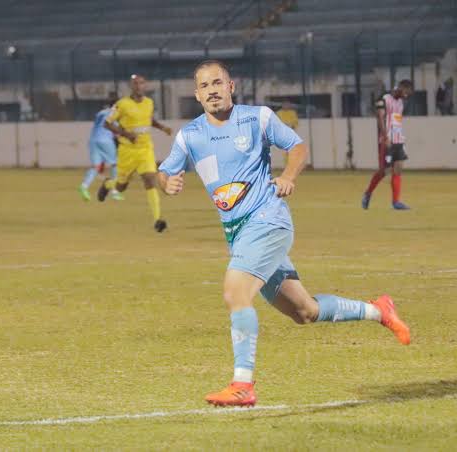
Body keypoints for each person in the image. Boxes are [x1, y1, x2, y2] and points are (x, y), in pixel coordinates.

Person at [158, 60, 411, 407]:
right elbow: (165, 171)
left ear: (231, 86)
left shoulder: (257, 118)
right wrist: (167, 181)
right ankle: (379, 310)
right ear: (197, 94)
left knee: (236, 291)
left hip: (268, 220)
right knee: (304, 311)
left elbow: (298, 148)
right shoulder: (190, 136)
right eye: (204, 85)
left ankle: (242, 384)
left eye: (218, 82)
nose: (212, 90)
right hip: (239, 235)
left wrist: (289, 175)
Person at [98, 74, 172, 232]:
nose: (139, 86)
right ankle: (107, 184)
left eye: (141, 83)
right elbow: (107, 123)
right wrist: (126, 135)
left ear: (145, 86)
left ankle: (158, 220)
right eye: (136, 84)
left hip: (145, 150)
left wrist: (162, 127)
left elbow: (149, 120)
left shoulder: (149, 103)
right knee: (121, 186)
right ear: (131, 86)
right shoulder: (122, 104)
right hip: (127, 151)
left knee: (150, 179)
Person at [362, 79, 413, 210]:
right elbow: (380, 118)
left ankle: (396, 202)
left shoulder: (401, 103)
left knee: (398, 168)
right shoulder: (384, 99)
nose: (406, 95)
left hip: (398, 140)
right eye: (405, 92)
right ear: (401, 87)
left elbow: (397, 121)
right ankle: (368, 193)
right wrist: (385, 137)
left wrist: (401, 138)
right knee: (383, 172)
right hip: (387, 141)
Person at [79, 99, 123, 201]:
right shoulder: (115, 114)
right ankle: (115, 192)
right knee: (115, 164)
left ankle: (84, 186)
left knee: (96, 167)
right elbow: (116, 131)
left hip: (93, 140)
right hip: (105, 140)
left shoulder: (100, 112)